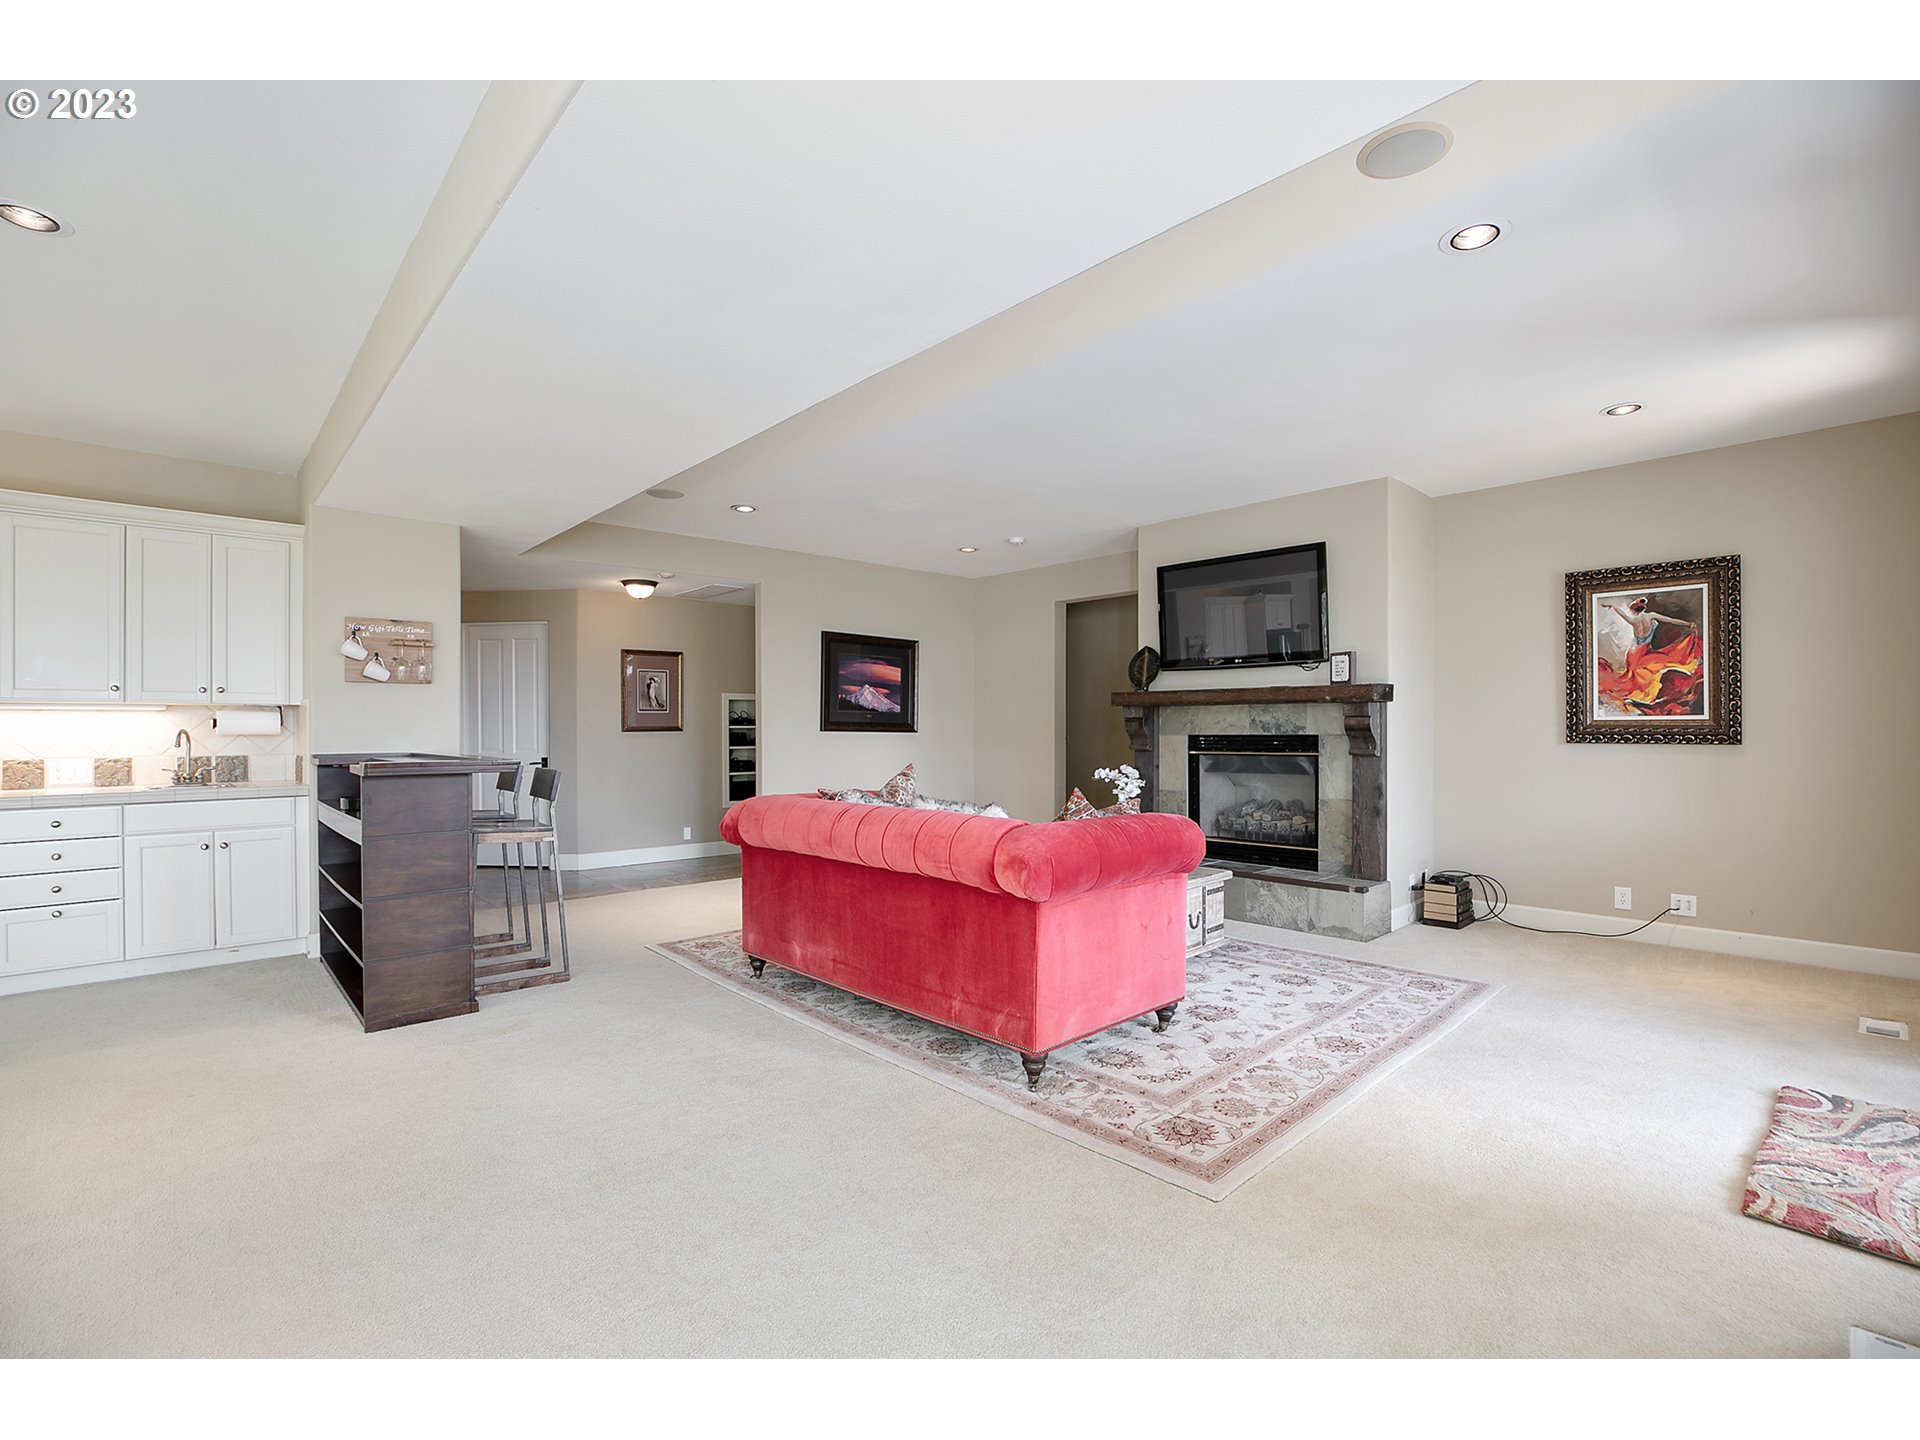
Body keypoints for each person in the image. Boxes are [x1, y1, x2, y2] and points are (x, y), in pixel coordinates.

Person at [1596, 595, 1702, 715]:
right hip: (1646, 648)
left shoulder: (1633, 620)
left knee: (1634, 674)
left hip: (1635, 650)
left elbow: (1621, 613)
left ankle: (1642, 695)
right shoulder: (1651, 616)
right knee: (1646, 670)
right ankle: (1645, 694)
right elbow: (1669, 620)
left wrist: (1612, 606)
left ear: (1633, 610)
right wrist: (1688, 624)